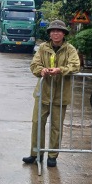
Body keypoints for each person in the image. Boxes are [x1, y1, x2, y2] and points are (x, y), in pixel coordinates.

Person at [22, 20, 80, 168]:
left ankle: (52, 156)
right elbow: (34, 64)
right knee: (37, 124)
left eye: (59, 31)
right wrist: (41, 70)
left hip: (61, 94)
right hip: (43, 93)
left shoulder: (70, 49)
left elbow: (75, 65)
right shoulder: (42, 48)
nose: (56, 33)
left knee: (56, 126)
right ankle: (36, 153)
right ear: (49, 33)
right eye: (53, 31)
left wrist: (60, 70)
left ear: (64, 34)